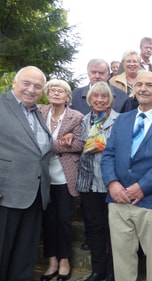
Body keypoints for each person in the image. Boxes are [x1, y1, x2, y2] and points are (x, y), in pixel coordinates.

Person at [101, 71, 152, 281]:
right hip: (118, 200)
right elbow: (108, 153)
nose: (143, 88)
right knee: (122, 260)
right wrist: (112, 183)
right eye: (139, 84)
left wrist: (142, 186)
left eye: (149, 84)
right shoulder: (122, 120)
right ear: (133, 89)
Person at [0, 66, 51, 281]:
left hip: (34, 196)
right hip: (6, 194)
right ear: (14, 83)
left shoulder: (36, 112)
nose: (31, 89)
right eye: (26, 83)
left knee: (23, 258)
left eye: (37, 86)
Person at [37, 79, 83, 281]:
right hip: (42, 177)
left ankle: (65, 260)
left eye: (61, 90)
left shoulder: (76, 117)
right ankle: (52, 260)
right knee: (48, 222)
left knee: (63, 221)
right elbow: (33, 140)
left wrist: (48, 145)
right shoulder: (38, 112)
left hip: (65, 177)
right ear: (47, 93)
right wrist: (59, 143)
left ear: (67, 96)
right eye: (52, 90)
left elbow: (79, 145)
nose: (56, 93)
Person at [76, 82, 119, 281]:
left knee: (113, 230)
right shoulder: (84, 121)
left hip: (111, 182)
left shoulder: (119, 120)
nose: (100, 100)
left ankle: (113, 270)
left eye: (104, 97)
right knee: (93, 228)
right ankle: (98, 270)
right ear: (90, 99)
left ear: (109, 99)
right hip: (89, 182)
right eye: (96, 97)